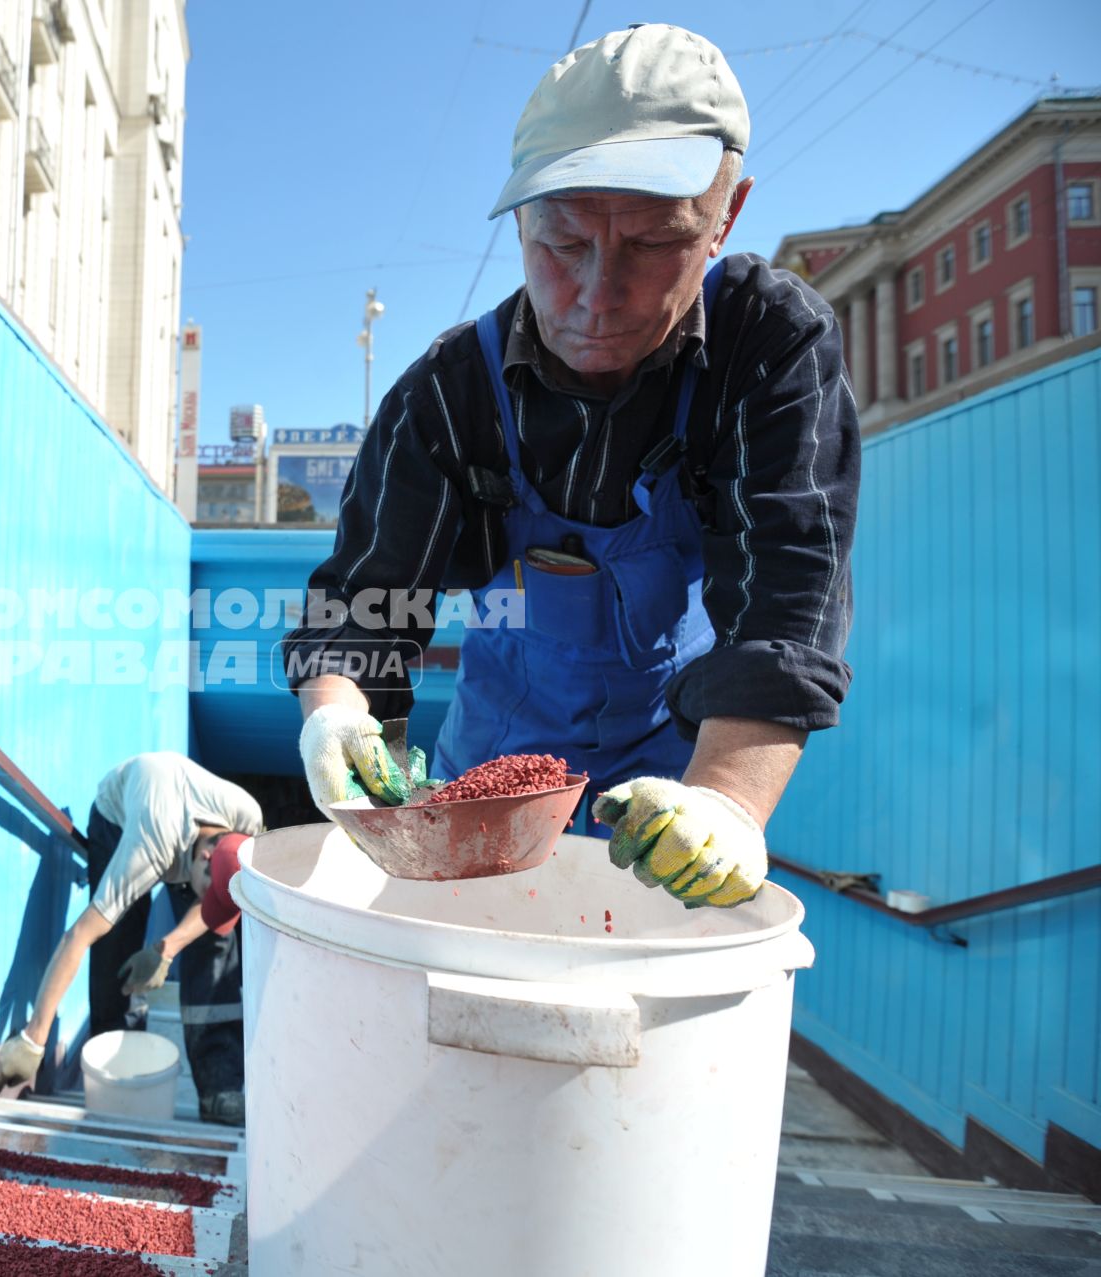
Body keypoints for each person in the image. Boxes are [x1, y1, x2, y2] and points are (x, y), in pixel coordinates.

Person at [285, 24, 858, 909]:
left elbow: (786, 599)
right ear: (520, 218)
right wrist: (337, 711)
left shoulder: (769, 349)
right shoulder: (449, 394)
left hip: (679, 785)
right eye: (561, 244)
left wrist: (727, 807)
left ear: (725, 216)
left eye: (652, 243)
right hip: (488, 789)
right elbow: (363, 603)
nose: (597, 293)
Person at [0, 753, 263, 1124]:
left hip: (181, 820)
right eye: (206, 895)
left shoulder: (250, 824)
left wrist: (166, 949)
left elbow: (217, 902)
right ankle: (117, 1067)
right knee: (114, 941)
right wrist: (33, 1040)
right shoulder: (147, 848)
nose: (204, 905)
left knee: (216, 946)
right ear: (206, 857)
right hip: (117, 820)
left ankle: (219, 1089)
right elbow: (78, 936)